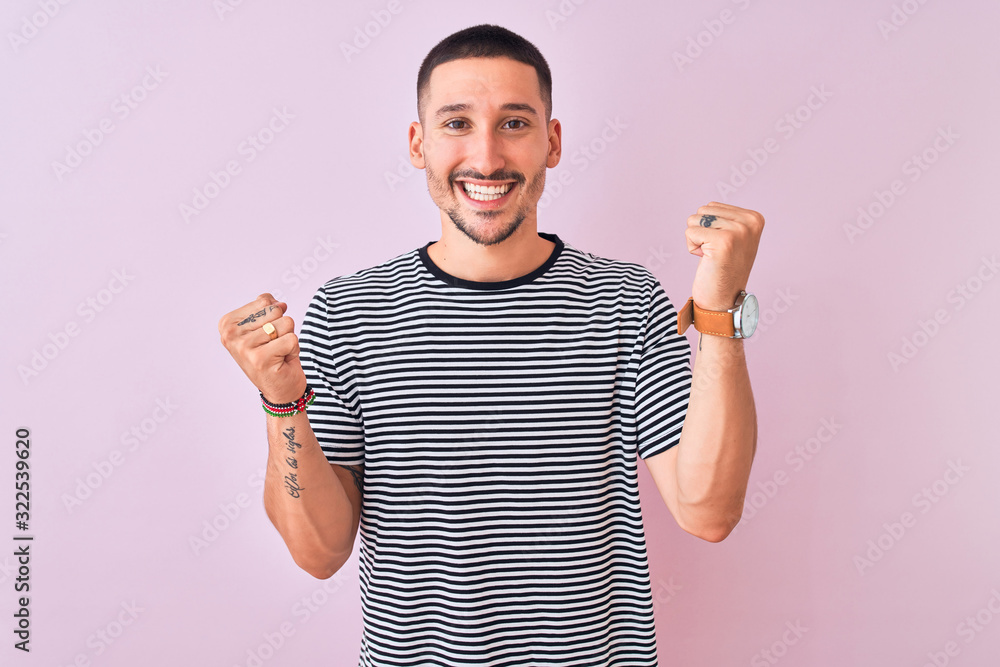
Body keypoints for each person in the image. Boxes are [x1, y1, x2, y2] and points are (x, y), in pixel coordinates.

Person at [219, 24, 763, 667]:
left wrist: (721, 313)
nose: (486, 156)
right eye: (456, 123)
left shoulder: (623, 299)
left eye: (514, 123)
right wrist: (283, 402)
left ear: (551, 142)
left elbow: (708, 511)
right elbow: (320, 553)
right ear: (418, 143)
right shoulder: (350, 312)